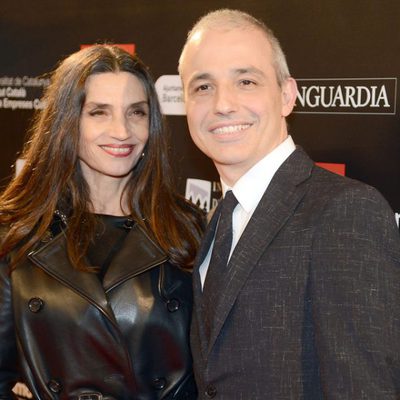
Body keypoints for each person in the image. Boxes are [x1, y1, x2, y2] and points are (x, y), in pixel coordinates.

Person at [178, 8, 400, 399]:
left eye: (245, 81)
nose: (223, 104)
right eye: (203, 87)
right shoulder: (220, 218)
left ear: (286, 95)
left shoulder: (345, 213)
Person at [0, 44, 204, 400]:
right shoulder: (17, 230)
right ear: (67, 121)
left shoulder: (187, 227)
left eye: (136, 113)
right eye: (98, 112)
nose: (122, 131)